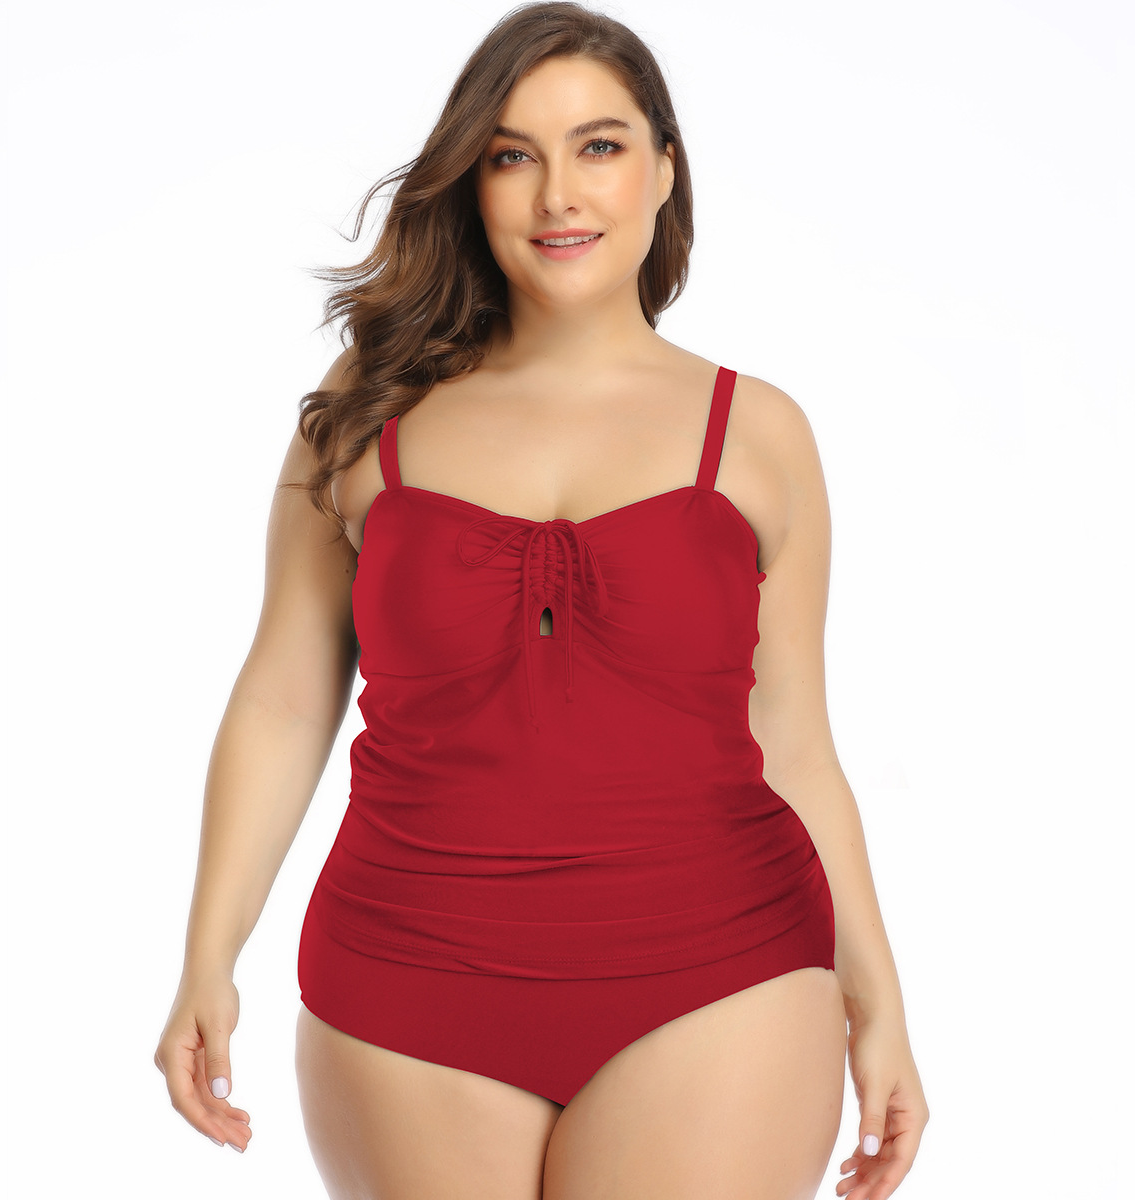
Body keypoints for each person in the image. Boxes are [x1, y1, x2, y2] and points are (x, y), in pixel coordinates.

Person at [153, 3, 929, 1197]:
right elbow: (285, 694)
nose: (559, 194)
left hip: (722, 978)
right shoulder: (366, 413)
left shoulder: (759, 434)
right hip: (407, 986)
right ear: (473, 183)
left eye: (599, 146)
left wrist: (879, 1001)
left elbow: (796, 743)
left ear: (664, 168)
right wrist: (208, 955)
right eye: (513, 155)